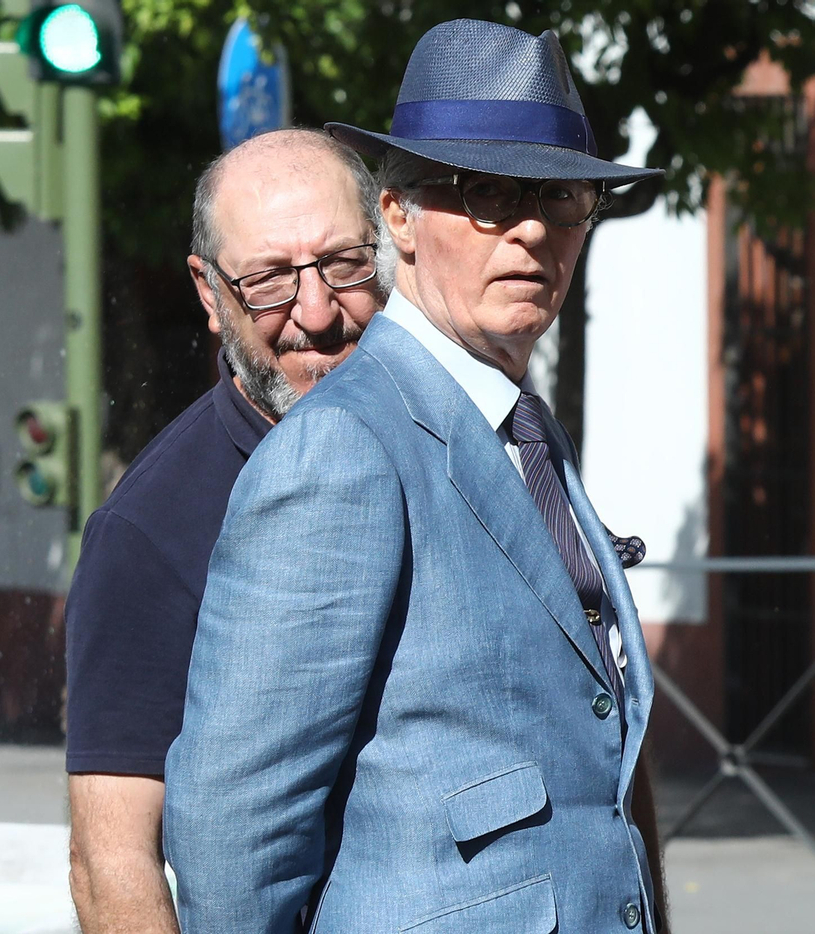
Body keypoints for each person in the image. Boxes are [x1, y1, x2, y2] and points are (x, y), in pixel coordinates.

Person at [164, 20, 668, 934]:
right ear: (396, 214)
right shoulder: (342, 450)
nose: (528, 230)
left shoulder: (523, 427)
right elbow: (233, 824)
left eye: (561, 199)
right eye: (486, 194)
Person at [62, 128, 385, 932]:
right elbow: (112, 864)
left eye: (345, 264)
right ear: (209, 295)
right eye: (270, 281)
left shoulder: (460, 441)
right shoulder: (148, 530)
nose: (316, 313)